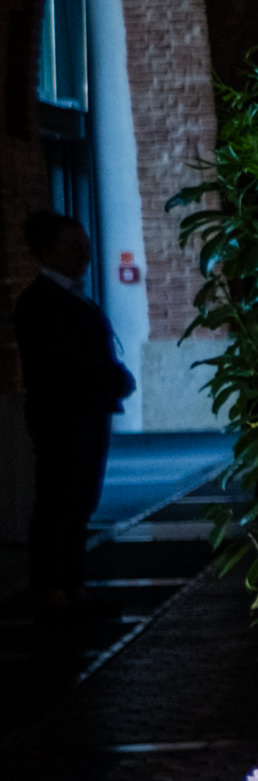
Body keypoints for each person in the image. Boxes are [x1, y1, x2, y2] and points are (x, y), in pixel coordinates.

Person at [16, 209, 130, 614]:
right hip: (62, 417)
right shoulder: (40, 302)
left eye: (83, 245)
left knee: (79, 500)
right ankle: (50, 586)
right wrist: (110, 378)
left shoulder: (70, 296)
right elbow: (63, 363)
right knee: (59, 501)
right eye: (72, 246)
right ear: (47, 251)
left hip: (84, 414)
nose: (82, 253)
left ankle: (72, 583)